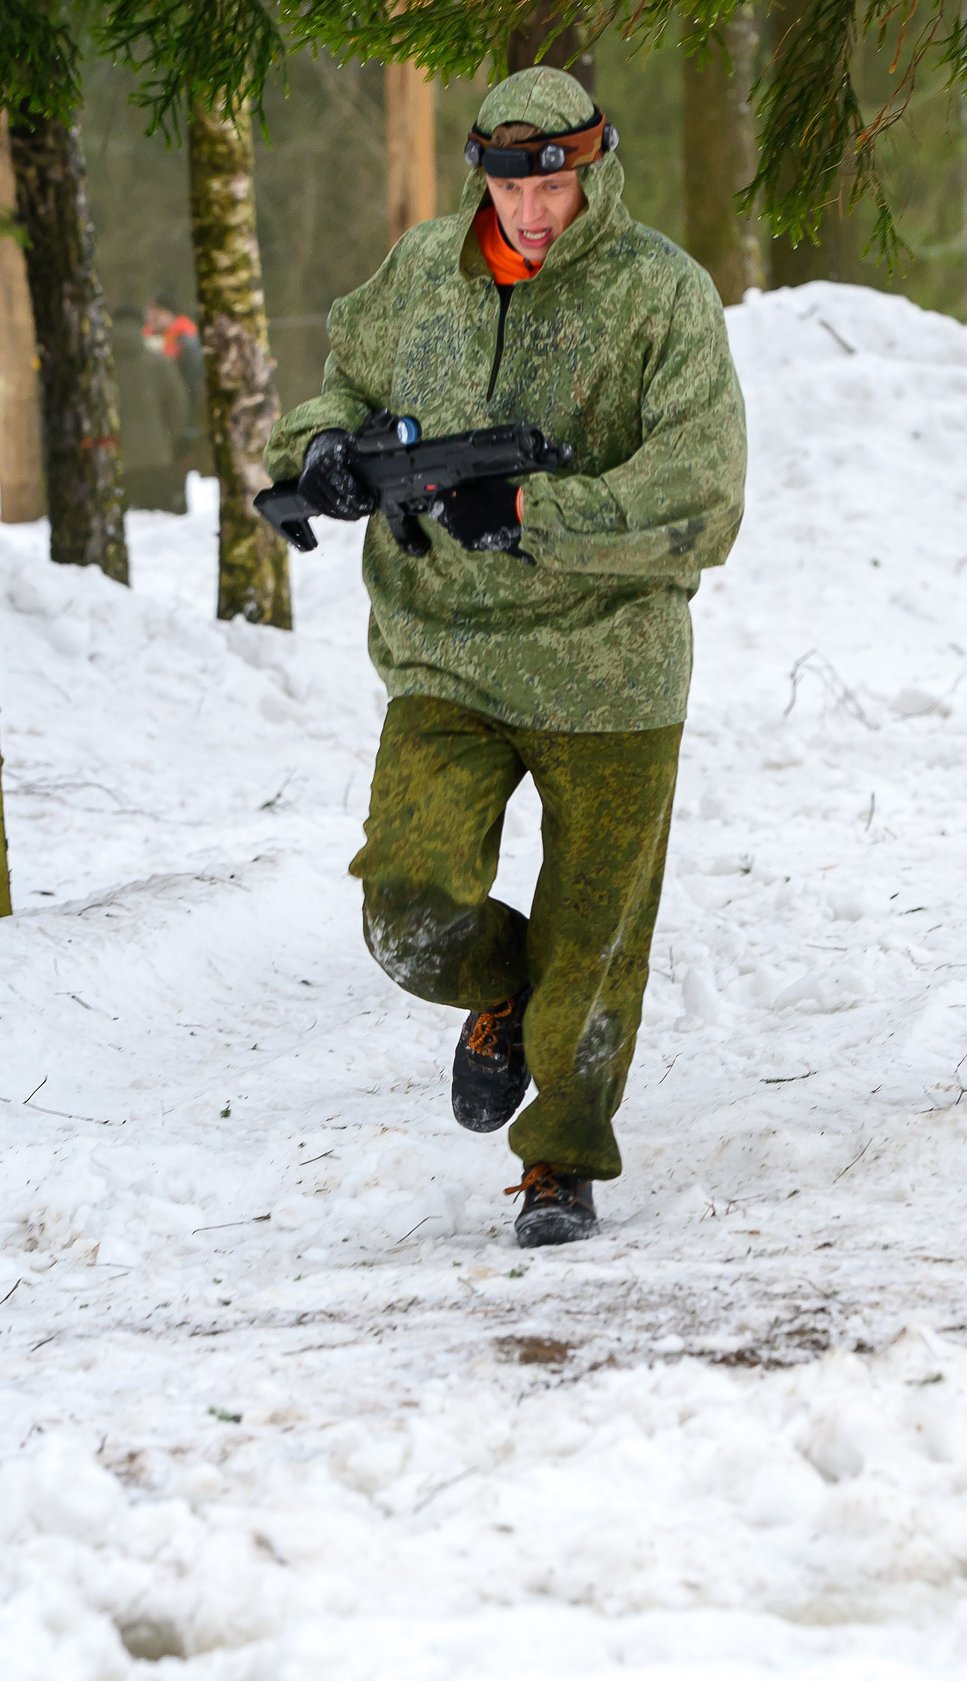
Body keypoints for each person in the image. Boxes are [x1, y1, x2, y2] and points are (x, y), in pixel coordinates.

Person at [266, 67, 746, 1247]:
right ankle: (499, 986)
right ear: (479, 171)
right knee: (408, 907)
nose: (532, 212)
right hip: (447, 656)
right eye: (509, 186)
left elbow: (706, 494)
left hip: (610, 671)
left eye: (557, 186)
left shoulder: (660, 297)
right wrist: (323, 451)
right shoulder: (421, 275)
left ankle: (560, 1165)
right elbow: (337, 387)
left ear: (595, 168)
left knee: (594, 946)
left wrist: (537, 515)